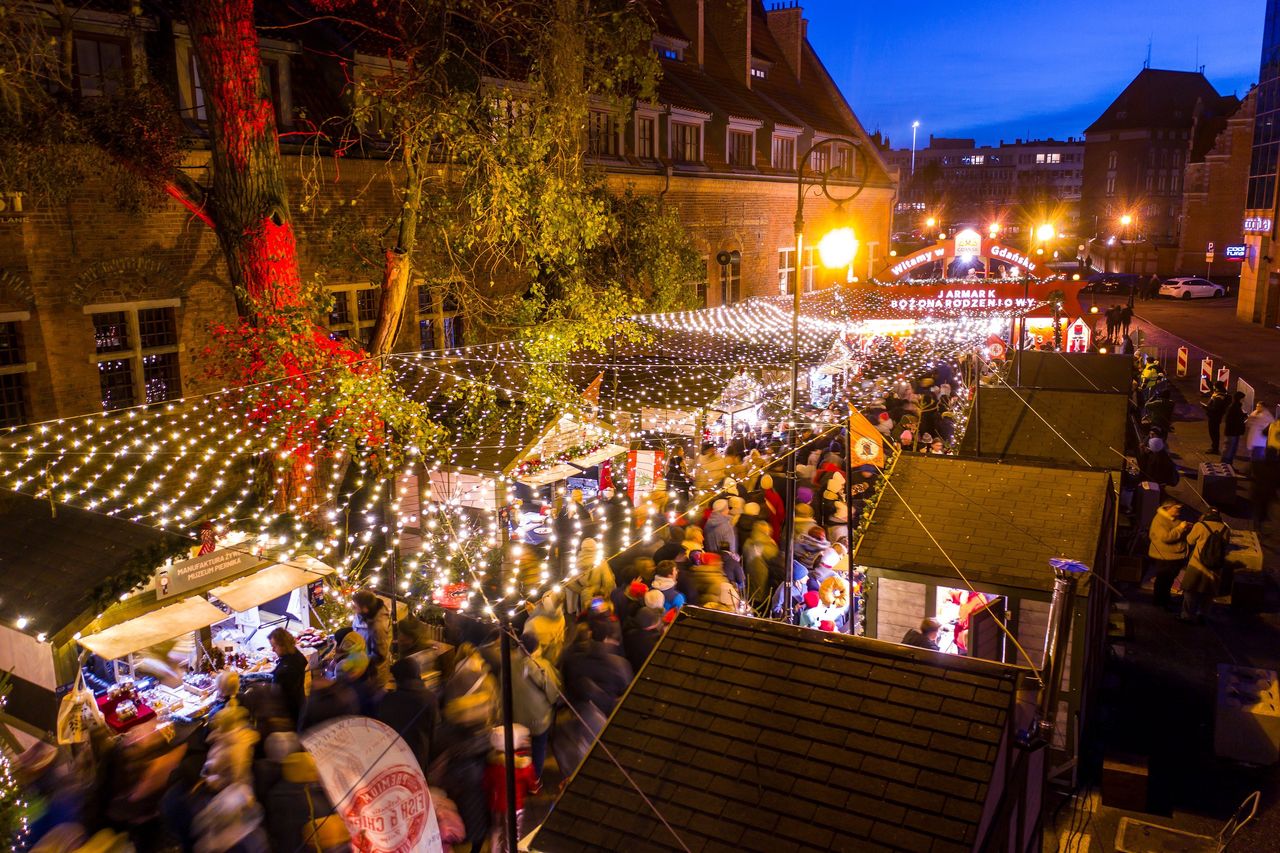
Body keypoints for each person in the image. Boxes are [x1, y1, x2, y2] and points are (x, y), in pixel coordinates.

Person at [510, 634, 560, 782]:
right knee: (539, 746)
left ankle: (518, 778)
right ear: (536, 647)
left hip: (516, 714)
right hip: (538, 718)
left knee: (519, 747)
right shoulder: (541, 665)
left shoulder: (510, 662)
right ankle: (535, 779)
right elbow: (552, 691)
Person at [376, 658, 437, 774]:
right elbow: (433, 731)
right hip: (420, 756)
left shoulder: (389, 700)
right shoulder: (430, 698)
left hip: (395, 757)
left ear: (399, 678)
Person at [484, 724, 539, 853]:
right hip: (515, 808)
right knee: (512, 836)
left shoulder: (492, 765)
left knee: (496, 831)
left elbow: (486, 784)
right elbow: (533, 786)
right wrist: (535, 790)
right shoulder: (523, 766)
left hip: (495, 805)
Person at [1182, 510, 1229, 622]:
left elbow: (1190, 541)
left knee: (1190, 591)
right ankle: (1203, 616)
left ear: (1205, 515)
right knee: (1208, 593)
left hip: (1197, 564)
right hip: (1215, 567)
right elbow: (1225, 545)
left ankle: (1187, 616)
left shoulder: (1200, 525)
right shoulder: (1226, 529)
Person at [1147, 500, 1191, 607]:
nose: (1179, 511)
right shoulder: (1160, 520)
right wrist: (1181, 528)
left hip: (1172, 555)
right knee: (1163, 580)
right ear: (1168, 508)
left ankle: (1164, 599)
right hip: (1165, 556)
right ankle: (1160, 602)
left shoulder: (1171, 519)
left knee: (1168, 580)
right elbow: (1166, 537)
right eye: (1176, 508)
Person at [267, 628, 308, 728]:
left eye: (274, 646)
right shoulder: (297, 654)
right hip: (300, 702)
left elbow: (276, 694)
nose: (273, 650)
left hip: (289, 713)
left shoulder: (285, 670)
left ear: (283, 645)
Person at [351, 589, 392, 687]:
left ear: (365, 609)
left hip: (373, 675)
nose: (353, 608)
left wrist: (360, 662)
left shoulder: (378, 627)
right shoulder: (362, 614)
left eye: (355, 606)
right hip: (362, 665)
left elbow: (380, 654)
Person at [1222, 392, 1247, 466]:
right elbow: (1232, 420)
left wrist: (1242, 415)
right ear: (1240, 399)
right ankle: (1226, 466)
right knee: (1229, 450)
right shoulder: (1234, 407)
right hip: (1232, 432)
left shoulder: (1236, 407)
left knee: (1231, 450)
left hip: (1234, 432)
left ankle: (1229, 466)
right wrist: (1242, 418)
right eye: (1243, 399)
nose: (1244, 400)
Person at [1204, 382, 1229, 455]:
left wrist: (1206, 408)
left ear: (1217, 387)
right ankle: (1214, 447)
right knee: (1214, 432)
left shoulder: (1219, 397)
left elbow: (1215, 409)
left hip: (1214, 417)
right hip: (1214, 417)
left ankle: (1215, 449)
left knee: (1214, 433)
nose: (1214, 388)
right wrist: (1207, 380)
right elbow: (1211, 388)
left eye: (1215, 386)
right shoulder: (1218, 393)